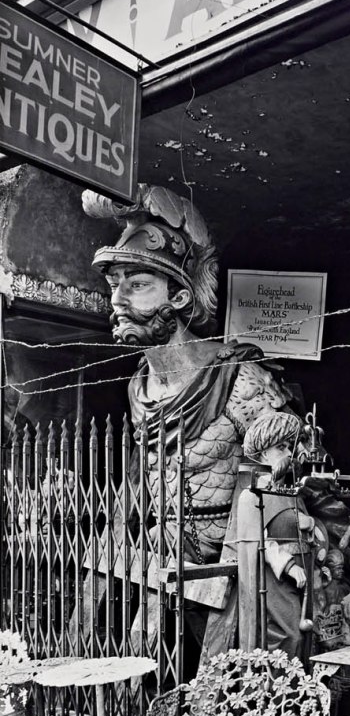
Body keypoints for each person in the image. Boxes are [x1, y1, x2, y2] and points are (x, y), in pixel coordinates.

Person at [82, 184, 300, 654]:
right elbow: (144, 475)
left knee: (236, 655)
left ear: (179, 299)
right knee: (140, 639)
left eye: (137, 284)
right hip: (170, 536)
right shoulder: (140, 385)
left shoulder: (233, 374)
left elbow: (284, 455)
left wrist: (275, 456)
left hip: (239, 550)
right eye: (114, 282)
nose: (117, 297)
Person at [234, 411, 319, 659]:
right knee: (286, 635)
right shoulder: (253, 495)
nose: (290, 455)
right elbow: (259, 541)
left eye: (290, 447)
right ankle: (277, 693)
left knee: (304, 636)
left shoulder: (291, 492)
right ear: (262, 454)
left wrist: (309, 525)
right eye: (281, 448)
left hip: (300, 576)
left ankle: (298, 693)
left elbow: (298, 531)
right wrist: (289, 565)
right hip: (274, 580)